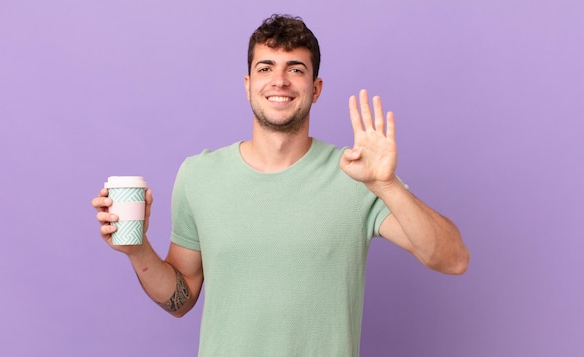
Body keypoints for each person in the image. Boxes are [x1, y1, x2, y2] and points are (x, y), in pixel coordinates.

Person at [92, 14, 469, 356]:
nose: (280, 81)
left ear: (316, 88)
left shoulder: (357, 176)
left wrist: (387, 185)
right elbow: (182, 297)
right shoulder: (198, 175)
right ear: (248, 83)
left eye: (296, 69)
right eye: (266, 67)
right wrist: (137, 249)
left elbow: (452, 259)